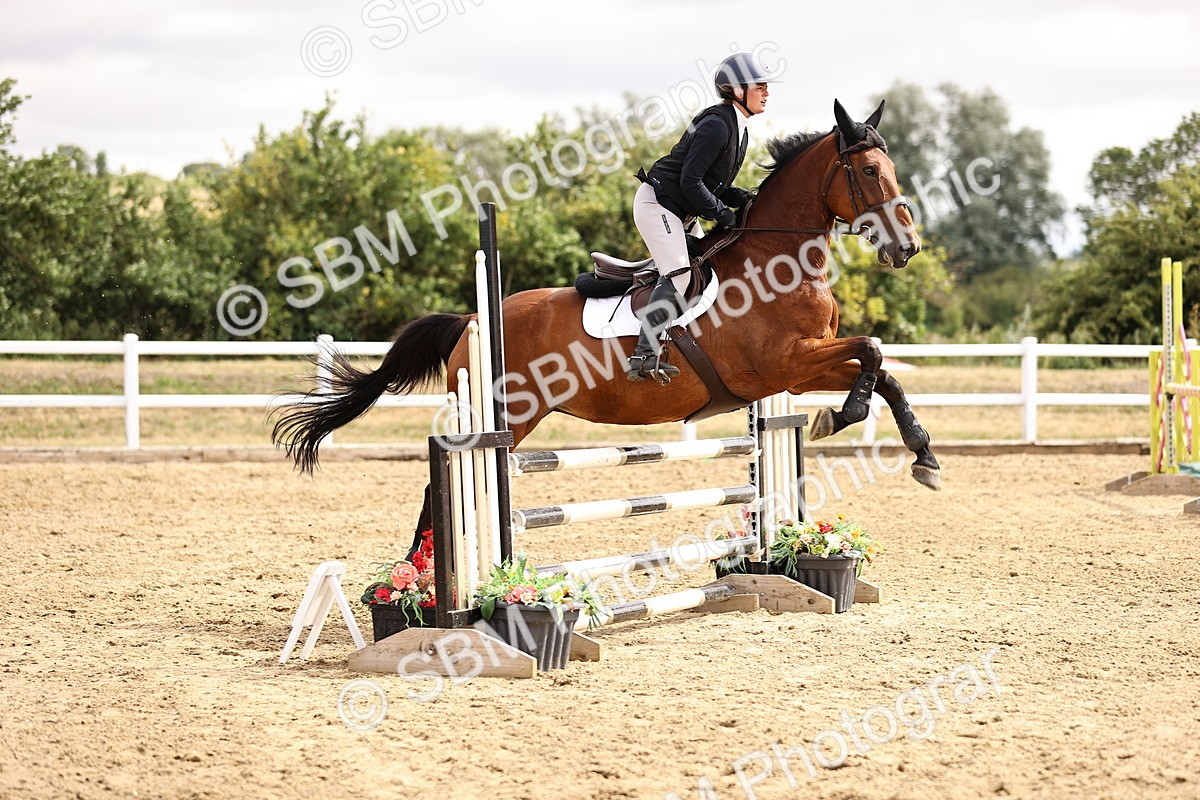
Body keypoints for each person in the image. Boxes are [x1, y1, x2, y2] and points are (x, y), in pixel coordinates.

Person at [627, 51, 778, 383]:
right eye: (760, 85)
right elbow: (690, 181)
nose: (767, 92)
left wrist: (742, 199)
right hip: (659, 204)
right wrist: (721, 213)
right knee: (680, 274)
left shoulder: (739, 128)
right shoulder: (716, 124)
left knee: (705, 269)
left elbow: (714, 183)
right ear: (736, 89)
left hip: (681, 210)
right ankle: (643, 354)